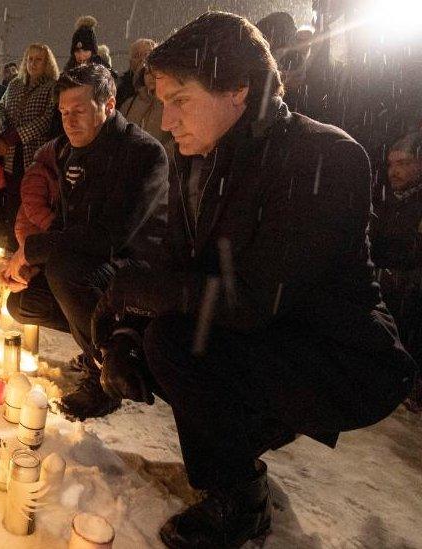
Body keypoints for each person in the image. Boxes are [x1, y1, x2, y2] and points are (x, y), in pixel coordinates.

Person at [88, 12, 416, 547]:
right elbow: (181, 270)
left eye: (181, 100)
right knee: (163, 343)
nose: (166, 121)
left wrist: (135, 292)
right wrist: (127, 331)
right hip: (265, 333)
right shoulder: (199, 159)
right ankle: (233, 450)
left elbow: (259, 299)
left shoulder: (323, 157)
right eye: (163, 102)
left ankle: (239, 498)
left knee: (177, 348)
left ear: (238, 90)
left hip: (338, 355)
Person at [2, 63, 168, 418]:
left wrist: (35, 249)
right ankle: (103, 341)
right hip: (94, 263)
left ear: (108, 106)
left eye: (79, 110)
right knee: (23, 303)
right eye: (63, 112)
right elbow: (67, 224)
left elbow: (109, 237)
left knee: (66, 270)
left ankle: (107, 372)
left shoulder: (142, 153)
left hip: (137, 274)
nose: (68, 121)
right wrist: (32, 262)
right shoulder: (73, 151)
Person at [372, 131, 422, 412]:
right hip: (385, 290)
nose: (395, 171)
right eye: (391, 164)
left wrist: (399, 280)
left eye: (402, 163)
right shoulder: (385, 202)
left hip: (410, 297)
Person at [0, 43, 60, 249]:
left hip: (34, 154)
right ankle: (11, 244)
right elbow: (0, 109)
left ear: (46, 63)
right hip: (12, 154)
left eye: (38, 59)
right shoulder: (14, 84)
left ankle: (28, 248)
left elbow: (47, 120)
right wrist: (3, 135)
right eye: (30, 59)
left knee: (31, 201)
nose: (33, 63)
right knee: (12, 198)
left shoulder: (52, 87)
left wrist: (17, 136)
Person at [119, 66, 174, 156]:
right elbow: (121, 131)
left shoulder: (171, 102)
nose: (151, 77)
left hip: (162, 161)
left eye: (156, 72)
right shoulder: (131, 102)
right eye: (147, 73)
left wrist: (163, 155)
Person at [116, 38, 156, 105]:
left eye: (147, 55)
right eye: (137, 55)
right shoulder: (121, 88)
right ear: (130, 62)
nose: (142, 59)